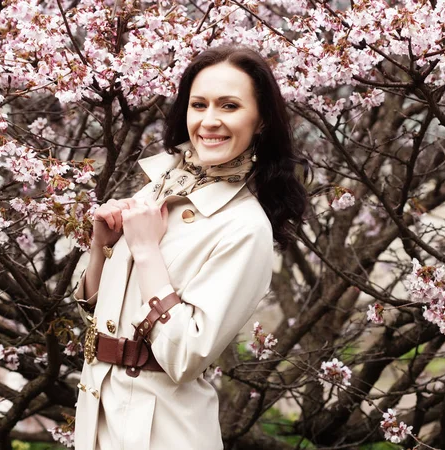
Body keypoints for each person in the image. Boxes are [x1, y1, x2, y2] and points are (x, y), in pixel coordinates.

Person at [73, 46, 308, 450]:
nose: (210, 120)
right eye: (199, 104)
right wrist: (101, 248)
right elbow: (98, 317)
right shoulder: (161, 188)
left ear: (262, 120)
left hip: (161, 429)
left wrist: (146, 253)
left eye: (229, 105)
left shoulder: (245, 227)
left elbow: (186, 356)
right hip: (100, 412)